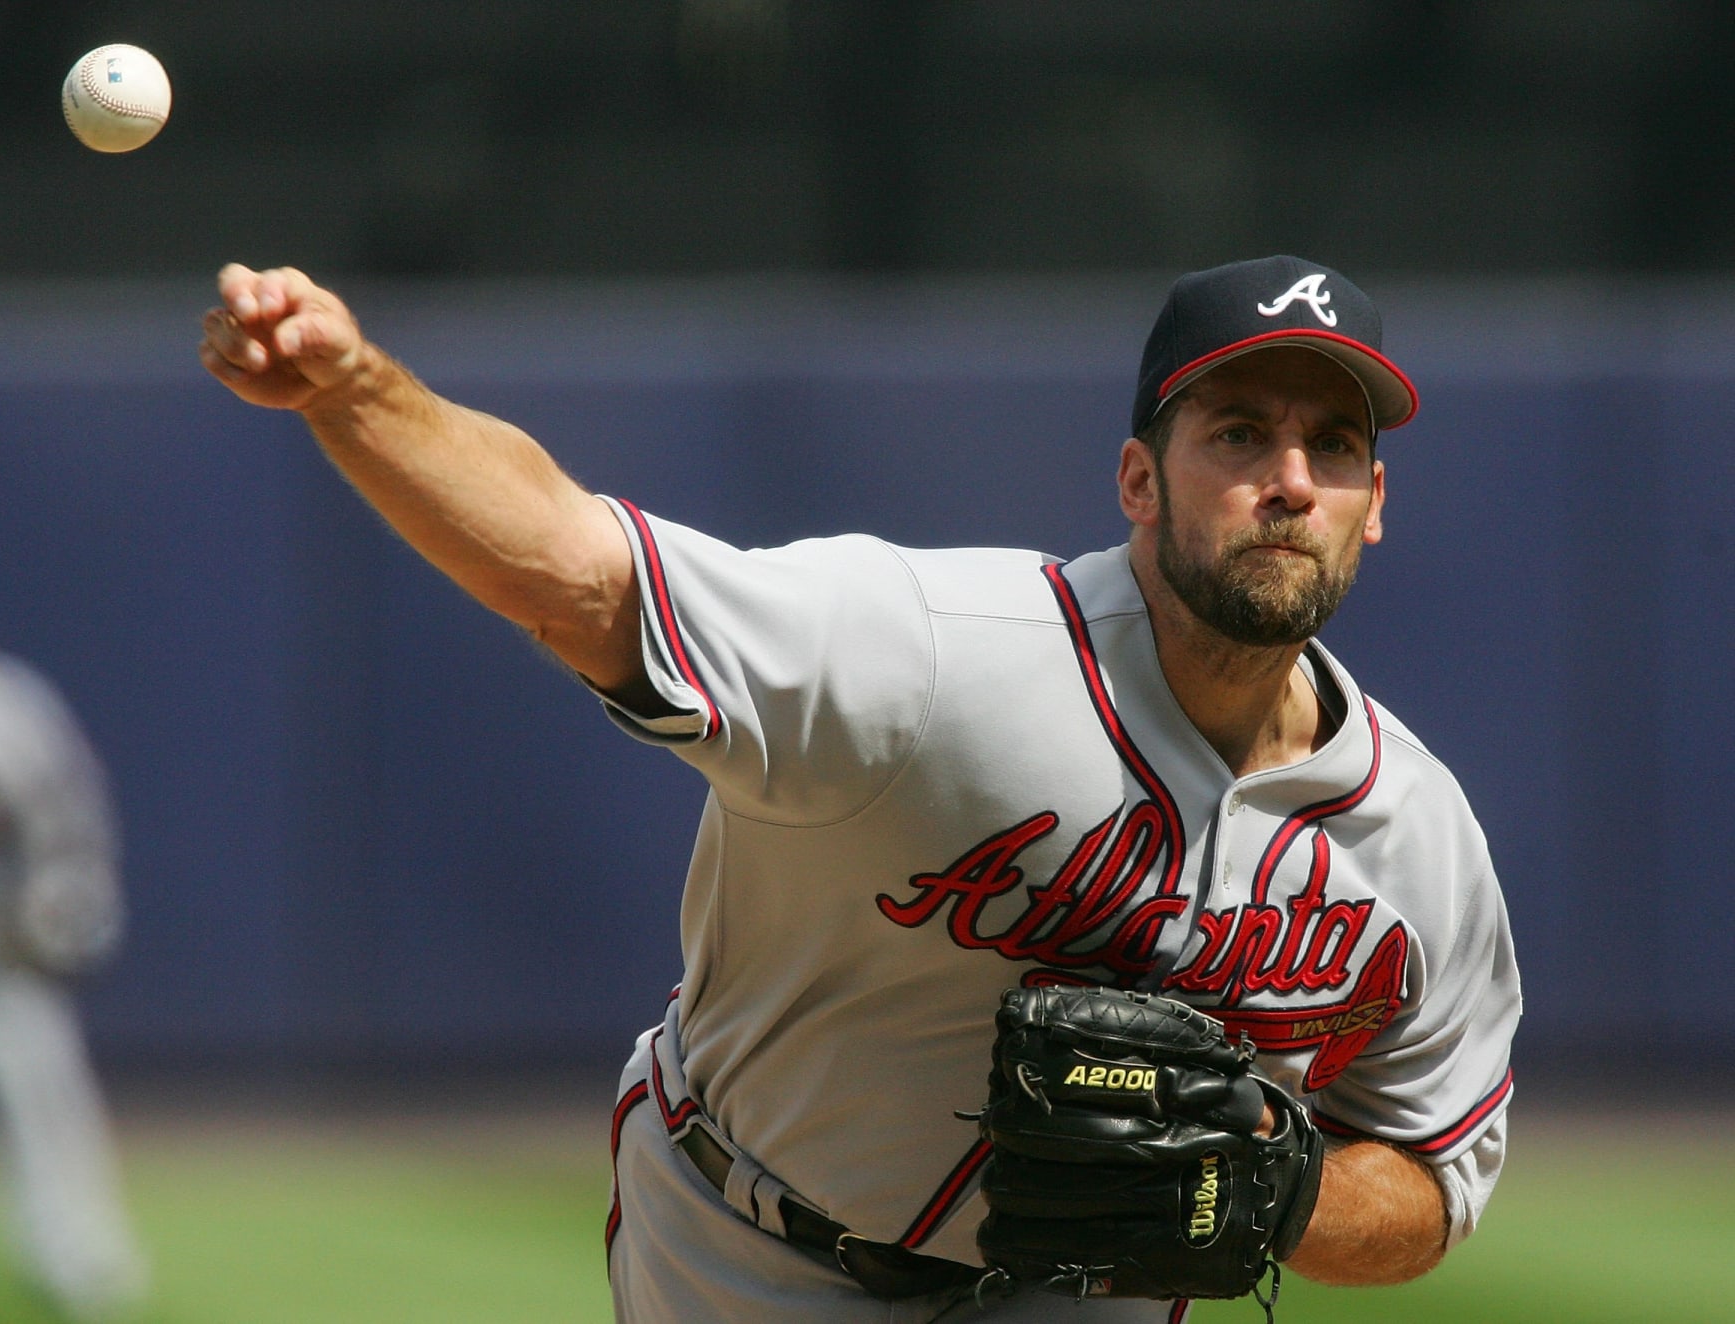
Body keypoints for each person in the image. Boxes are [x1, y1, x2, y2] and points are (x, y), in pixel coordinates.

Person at [199, 254, 1520, 1322]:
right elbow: (575, 568)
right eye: (1240, 433)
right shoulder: (934, 650)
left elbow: (1431, 1175)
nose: (1290, 483)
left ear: (1374, 500)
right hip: (749, 1247)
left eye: (1331, 447)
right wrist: (351, 391)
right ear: (1137, 480)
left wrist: (1285, 1190)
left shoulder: (1418, 841)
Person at [0, 596, 147, 1321]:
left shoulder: (5, 710)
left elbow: (63, 825)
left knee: (36, 1085)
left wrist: (62, 915)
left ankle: (78, 1259)